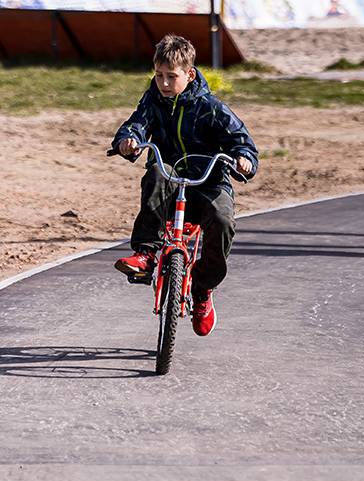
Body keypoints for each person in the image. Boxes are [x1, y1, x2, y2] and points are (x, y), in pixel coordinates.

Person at [111, 34, 259, 337]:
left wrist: (243, 158)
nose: (164, 83)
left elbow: (242, 142)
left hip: (207, 182)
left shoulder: (211, 108)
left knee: (221, 220)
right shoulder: (153, 101)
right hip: (170, 183)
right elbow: (136, 124)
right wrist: (129, 140)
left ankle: (203, 289)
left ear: (189, 74)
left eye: (172, 77)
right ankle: (146, 254)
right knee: (156, 171)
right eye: (159, 75)